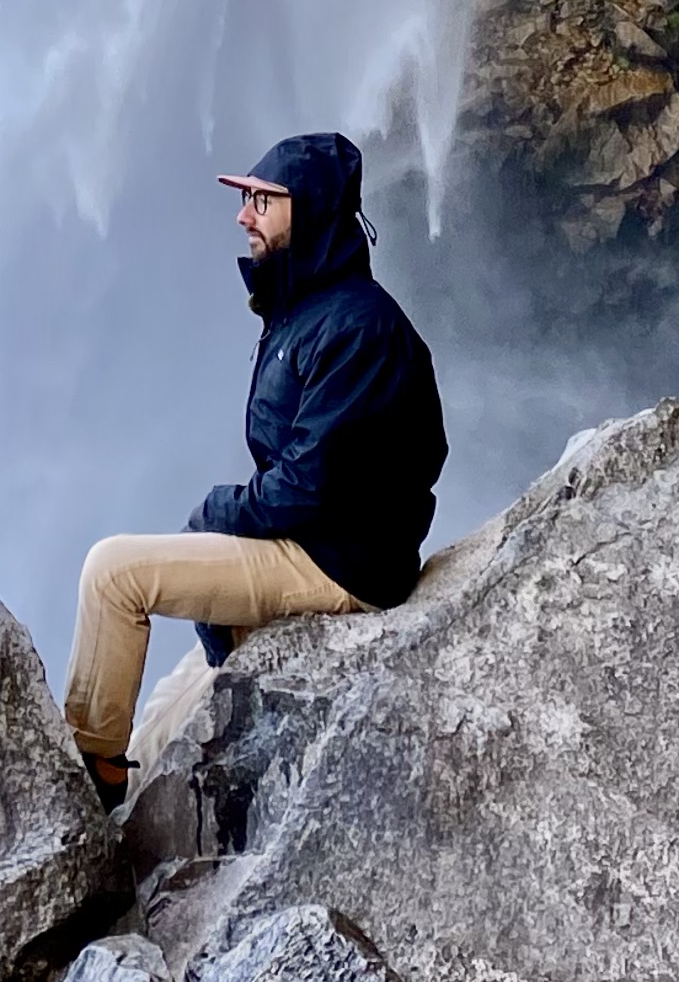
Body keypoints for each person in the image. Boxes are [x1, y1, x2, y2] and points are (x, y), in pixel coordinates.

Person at [61, 129, 447, 805]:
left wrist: (215, 511)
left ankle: (82, 784)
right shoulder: (306, 315)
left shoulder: (358, 328)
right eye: (246, 199)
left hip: (339, 563)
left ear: (312, 209)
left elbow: (304, 486)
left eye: (262, 201)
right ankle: (122, 795)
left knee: (112, 574)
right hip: (319, 543)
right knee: (175, 701)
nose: (244, 215)